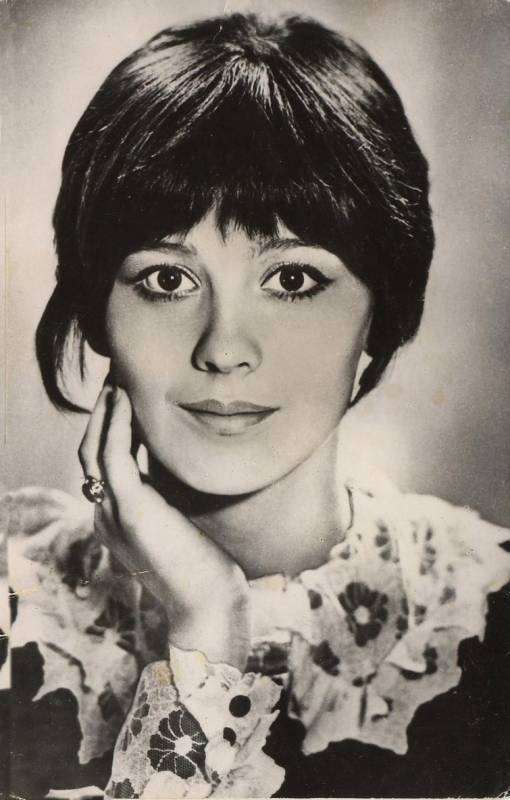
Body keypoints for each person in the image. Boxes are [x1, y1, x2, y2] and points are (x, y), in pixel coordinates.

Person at [4, 12, 510, 799]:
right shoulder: (15, 603)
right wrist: (205, 624)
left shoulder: (484, 618)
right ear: (97, 309)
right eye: (168, 279)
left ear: (381, 314)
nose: (224, 348)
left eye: (293, 280)